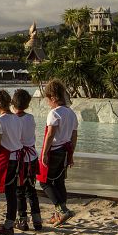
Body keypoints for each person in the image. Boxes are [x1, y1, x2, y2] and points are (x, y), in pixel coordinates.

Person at [36, 79, 79, 226]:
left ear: (53, 98)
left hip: (53, 151)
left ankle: (62, 209)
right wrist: (71, 154)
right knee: (59, 182)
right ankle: (58, 215)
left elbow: (50, 135)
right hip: (65, 151)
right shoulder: (71, 113)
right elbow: (74, 136)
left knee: (44, 182)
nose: (47, 102)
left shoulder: (54, 113)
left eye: (48, 99)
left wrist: (44, 153)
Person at [0, 89, 24, 235]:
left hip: (4, 158)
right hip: (16, 157)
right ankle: (9, 225)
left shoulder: (0, 120)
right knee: (11, 192)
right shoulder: (17, 118)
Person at [12, 88, 42, 231]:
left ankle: (22, 220)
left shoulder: (13, 119)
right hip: (31, 156)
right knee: (31, 189)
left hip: (19, 158)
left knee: (19, 190)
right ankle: (37, 220)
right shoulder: (30, 118)